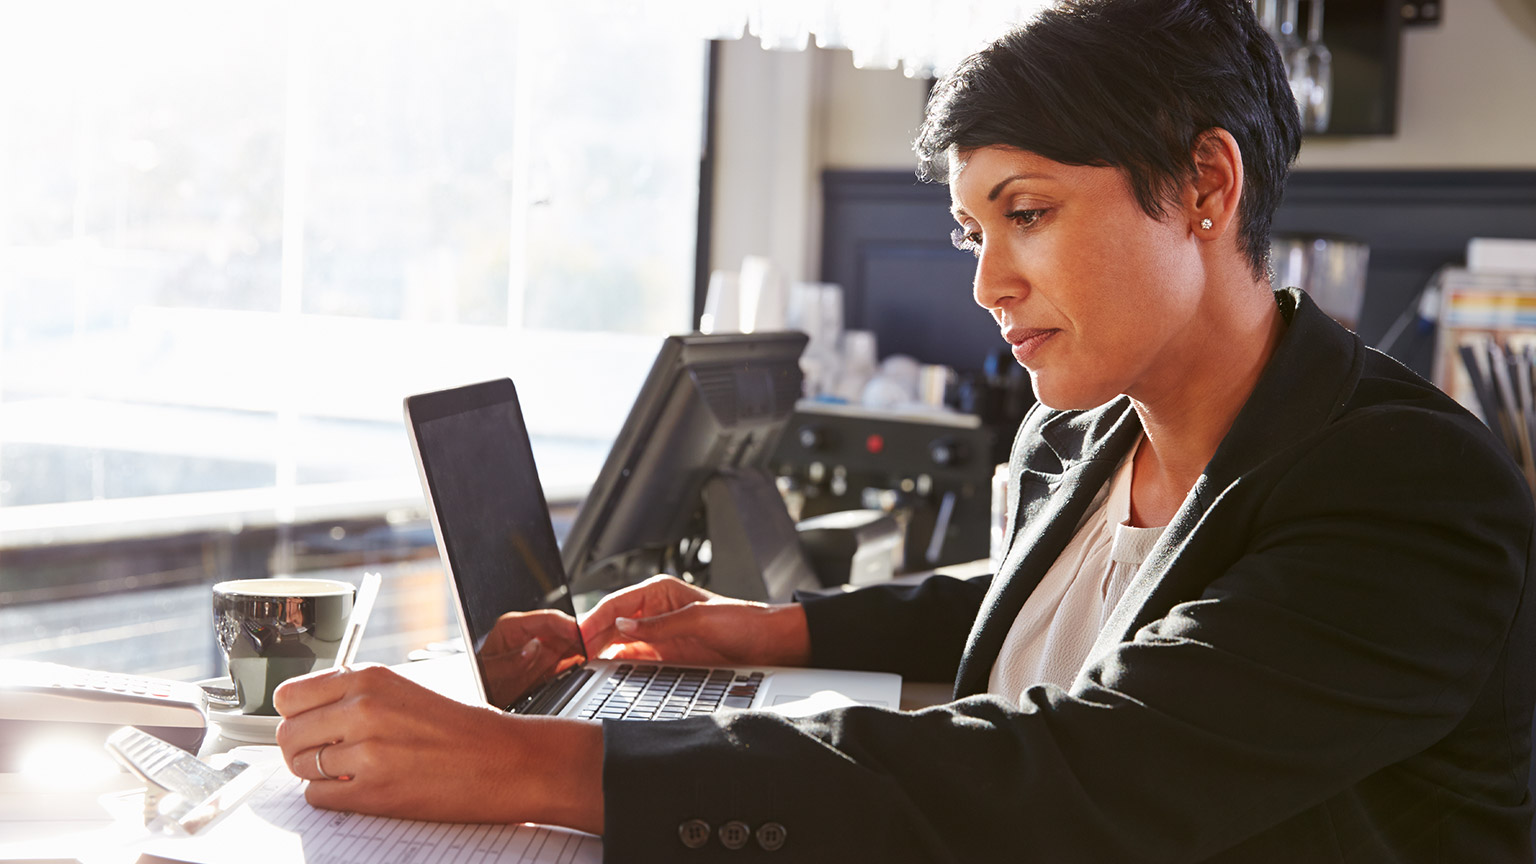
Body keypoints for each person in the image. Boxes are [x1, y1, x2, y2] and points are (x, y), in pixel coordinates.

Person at [273, 0, 1536, 859]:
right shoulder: (1079, 440)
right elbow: (1075, 595)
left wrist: (536, 766)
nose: (987, 283)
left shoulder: (1409, 486)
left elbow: (1086, 768)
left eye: (1028, 212)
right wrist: (776, 627)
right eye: (970, 232)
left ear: (1205, 186)